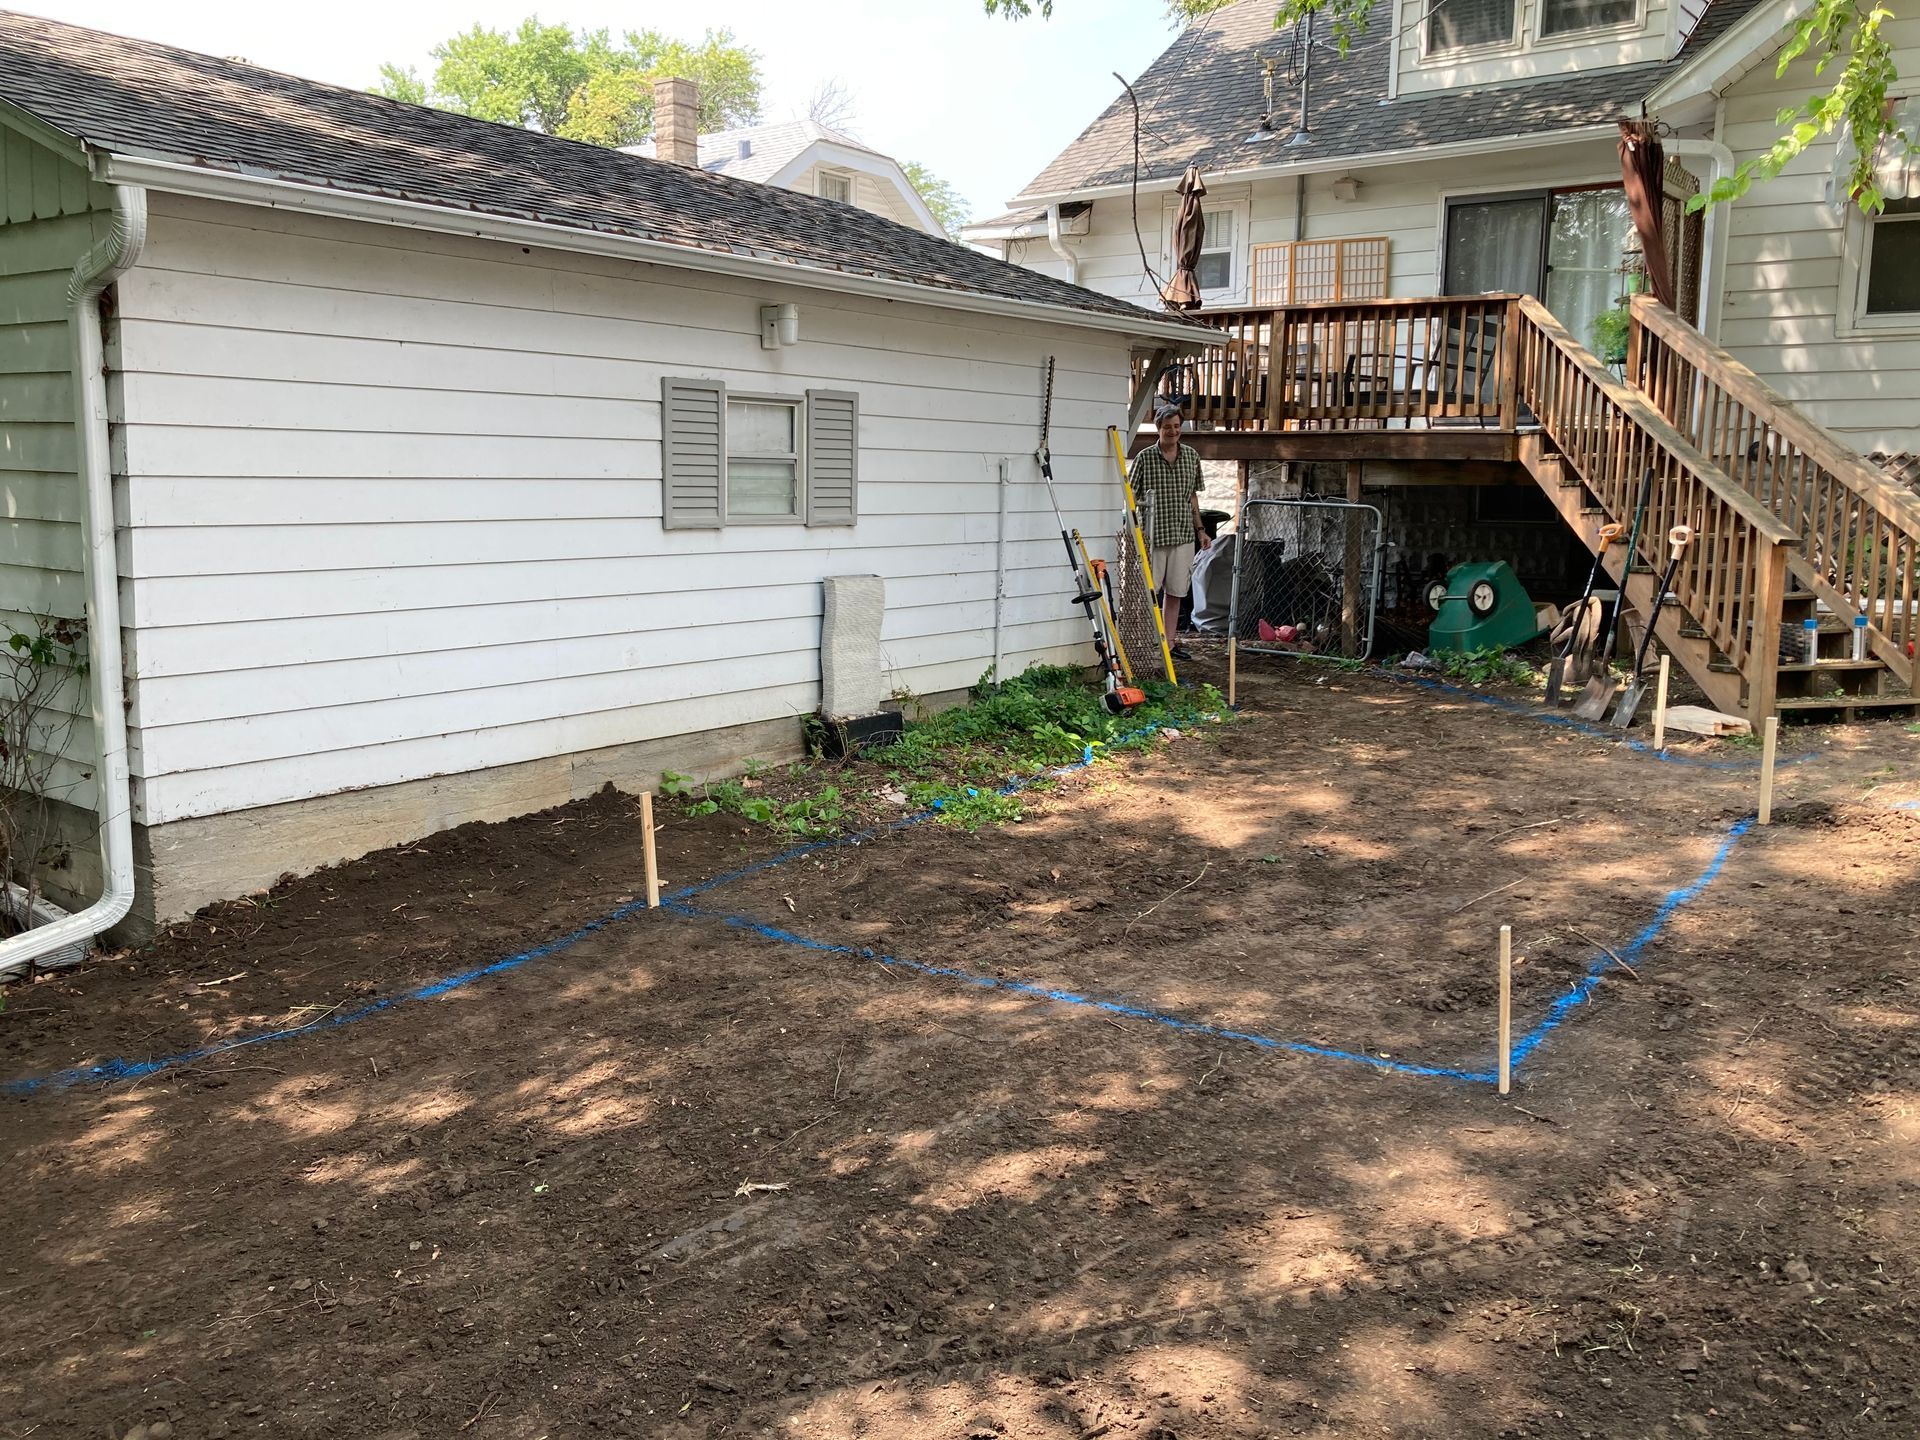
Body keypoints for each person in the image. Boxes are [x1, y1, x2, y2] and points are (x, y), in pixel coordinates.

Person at [1128, 404, 1207, 660]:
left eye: (1176, 426)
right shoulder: (1145, 458)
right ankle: (1140, 642)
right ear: (1158, 428)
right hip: (1153, 536)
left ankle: (1169, 644)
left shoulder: (1191, 457)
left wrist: (1201, 531)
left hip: (1182, 534)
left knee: (1175, 592)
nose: (1172, 431)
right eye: (1167, 427)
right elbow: (1130, 495)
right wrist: (1134, 532)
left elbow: (1192, 497)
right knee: (1146, 591)